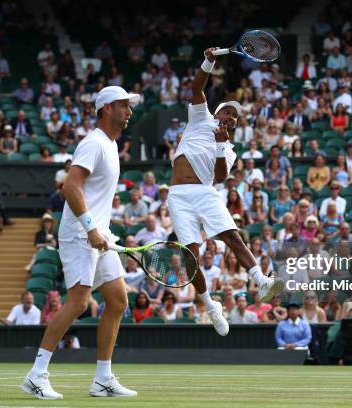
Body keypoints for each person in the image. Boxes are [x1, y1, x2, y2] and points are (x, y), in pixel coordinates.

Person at [21, 86, 140, 400]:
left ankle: (103, 379)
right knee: (78, 302)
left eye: (130, 106)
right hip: (79, 233)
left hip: (100, 233)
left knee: (116, 301)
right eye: (124, 106)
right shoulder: (94, 143)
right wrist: (90, 228)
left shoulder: (112, 146)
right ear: (106, 108)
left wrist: (100, 230)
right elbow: (70, 188)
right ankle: (36, 374)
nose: (129, 111)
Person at [167, 48, 284, 337]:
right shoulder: (199, 118)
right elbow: (197, 86)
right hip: (178, 195)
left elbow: (220, 177)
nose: (231, 116)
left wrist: (221, 145)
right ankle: (209, 305)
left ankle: (261, 280)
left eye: (235, 116)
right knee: (191, 255)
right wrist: (208, 60)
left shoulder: (229, 150)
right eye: (227, 111)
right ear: (216, 112)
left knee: (231, 235)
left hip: (205, 193)